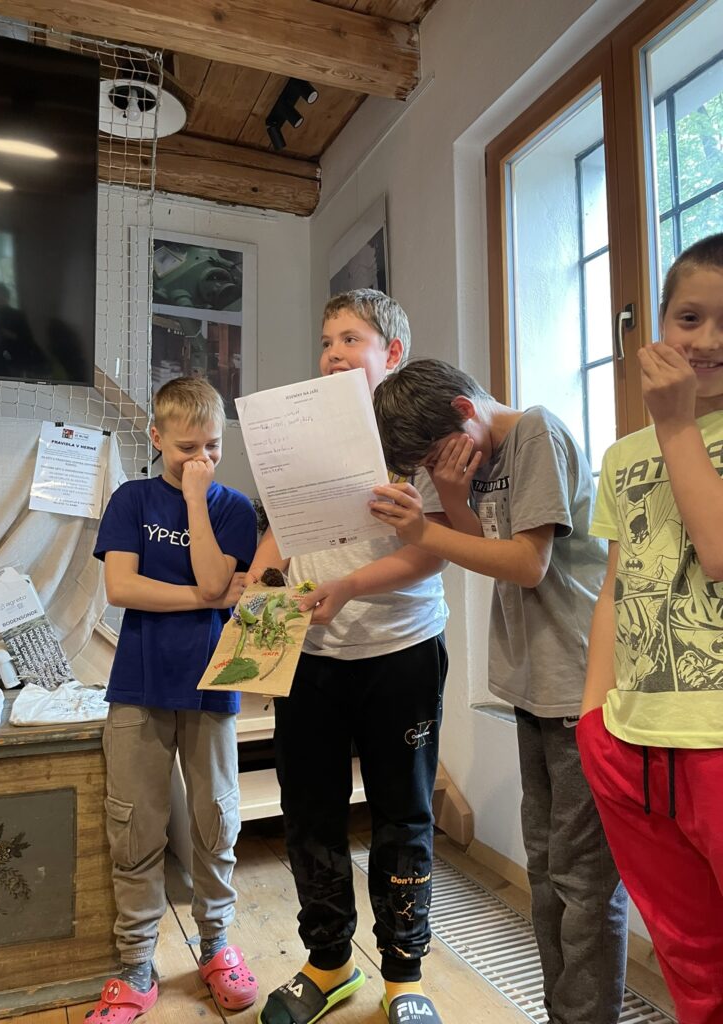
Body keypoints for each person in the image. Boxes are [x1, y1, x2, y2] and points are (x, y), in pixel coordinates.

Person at [369, 360, 628, 1024]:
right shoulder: (477, 460)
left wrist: (424, 529)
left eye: (435, 456)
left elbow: (527, 563)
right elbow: (486, 551)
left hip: (579, 682)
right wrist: (453, 499)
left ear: (464, 409)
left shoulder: (536, 431)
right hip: (533, 684)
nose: (438, 468)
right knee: (546, 870)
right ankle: (560, 1010)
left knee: (582, 879)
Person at [250, 290, 450, 1024]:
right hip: (312, 656)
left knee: (404, 815)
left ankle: (404, 973)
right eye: (326, 339)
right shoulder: (299, 438)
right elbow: (279, 536)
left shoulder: (422, 436)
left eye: (351, 339)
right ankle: (329, 961)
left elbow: (434, 551)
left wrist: (349, 586)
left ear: (391, 353)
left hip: (402, 651)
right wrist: (259, 588)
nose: (332, 353)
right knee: (310, 814)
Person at [576, 233, 723, 1024]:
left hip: (716, 740)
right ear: (659, 324)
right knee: (688, 956)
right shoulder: (621, 455)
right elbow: (616, 584)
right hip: (632, 741)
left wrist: (677, 424)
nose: (707, 341)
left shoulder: (669, 431)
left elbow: (719, 553)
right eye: (690, 318)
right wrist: (592, 718)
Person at [89, 377, 259, 1023]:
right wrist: (205, 599)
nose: (201, 460)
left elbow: (220, 576)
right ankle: (136, 961)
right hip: (140, 683)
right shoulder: (131, 499)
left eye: (212, 447)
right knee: (135, 822)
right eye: (187, 448)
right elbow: (123, 588)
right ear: (157, 438)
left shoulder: (233, 508)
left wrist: (195, 500)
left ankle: (215, 944)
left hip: (213, 684)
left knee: (217, 820)